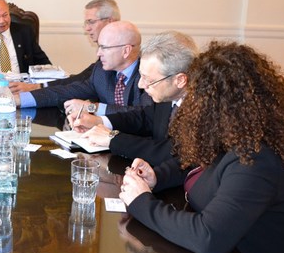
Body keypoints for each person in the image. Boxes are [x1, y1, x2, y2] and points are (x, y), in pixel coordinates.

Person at [120, 41, 284, 253]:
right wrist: (156, 176)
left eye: (198, 95)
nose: (192, 103)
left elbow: (208, 237)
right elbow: (193, 164)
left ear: (220, 104)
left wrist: (141, 202)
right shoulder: (234, 135)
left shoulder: (257, 158)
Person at [73, 31, 198, 166]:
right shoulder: (168, 94)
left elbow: (173, 152)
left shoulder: (203, 108)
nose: (140, 85)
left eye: (148, 80)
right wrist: (99, 121)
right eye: (141, 76)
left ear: (180, 80)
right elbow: (144, 118)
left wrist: (113, 139)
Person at [14, 21, 152, 114]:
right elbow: (65, 91)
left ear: (126, 51)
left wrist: (93, 108)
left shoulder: (148, 75)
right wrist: (20, 99)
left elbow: (142, 114)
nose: (98, 53)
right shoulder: (101, 72)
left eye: (104, 48)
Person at [9, 0, 120, 93]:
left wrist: (36, 87)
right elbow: (82, 78)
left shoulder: (118, 52)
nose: (87, 28)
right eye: (86, 23)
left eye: (91, 22)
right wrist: (38, 87)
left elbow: (84, 81)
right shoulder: (109, 50)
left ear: (109, 21)